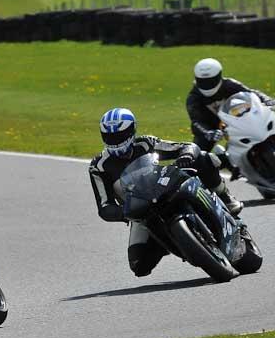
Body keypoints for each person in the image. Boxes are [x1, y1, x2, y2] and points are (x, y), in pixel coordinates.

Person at [89, 108, 242, 278]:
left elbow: (186, 146)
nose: (115, 142)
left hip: (164, 189)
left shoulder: (146, 144)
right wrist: (124, 213)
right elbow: (104, 206)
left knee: (204, 157)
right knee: (139, 266)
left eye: (119, 136)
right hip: (140, 212)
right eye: (110, 137)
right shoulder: (99, 166)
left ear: (132, 130)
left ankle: (225, 198)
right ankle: (169, 242)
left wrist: (186, 155)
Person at [188, 58, 275, 154]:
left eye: (211, 81)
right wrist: (208, 132)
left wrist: (267, 100)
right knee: (197, 153)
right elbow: (196, 121)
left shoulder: (229, 84)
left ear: (219, 76)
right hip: (211, 126)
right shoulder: (194, 98)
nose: (207, 85)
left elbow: (251, 93)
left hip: (236, 119)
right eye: (203, 81)